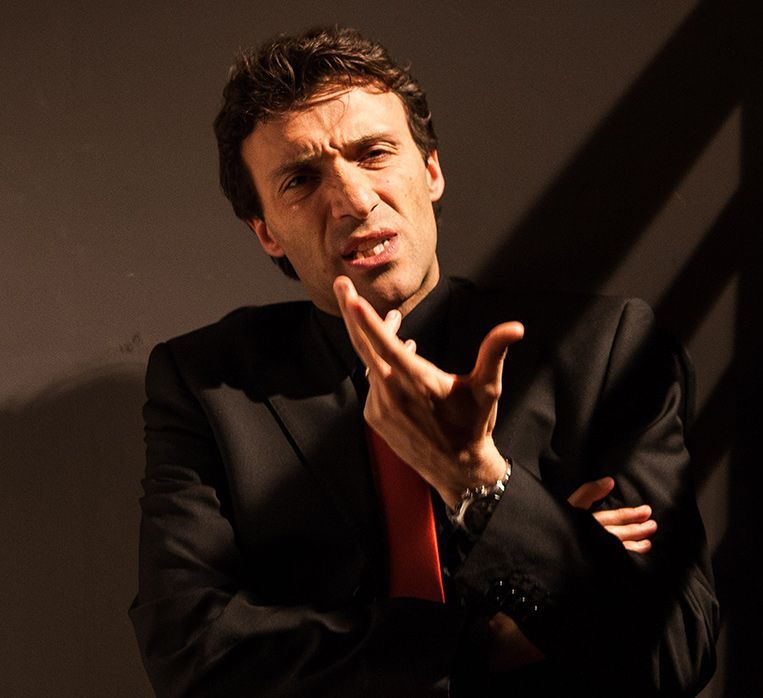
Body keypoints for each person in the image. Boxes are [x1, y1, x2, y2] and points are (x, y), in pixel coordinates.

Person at [130, 25, 718, 697]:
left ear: (431, 170)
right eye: (301, 179)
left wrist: (479, 480)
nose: (354, 200)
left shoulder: (605, 348)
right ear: (266, 231)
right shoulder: (205, 385)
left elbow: (674, 646)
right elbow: (192, 655)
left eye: (375, 153)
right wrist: (488, 635)